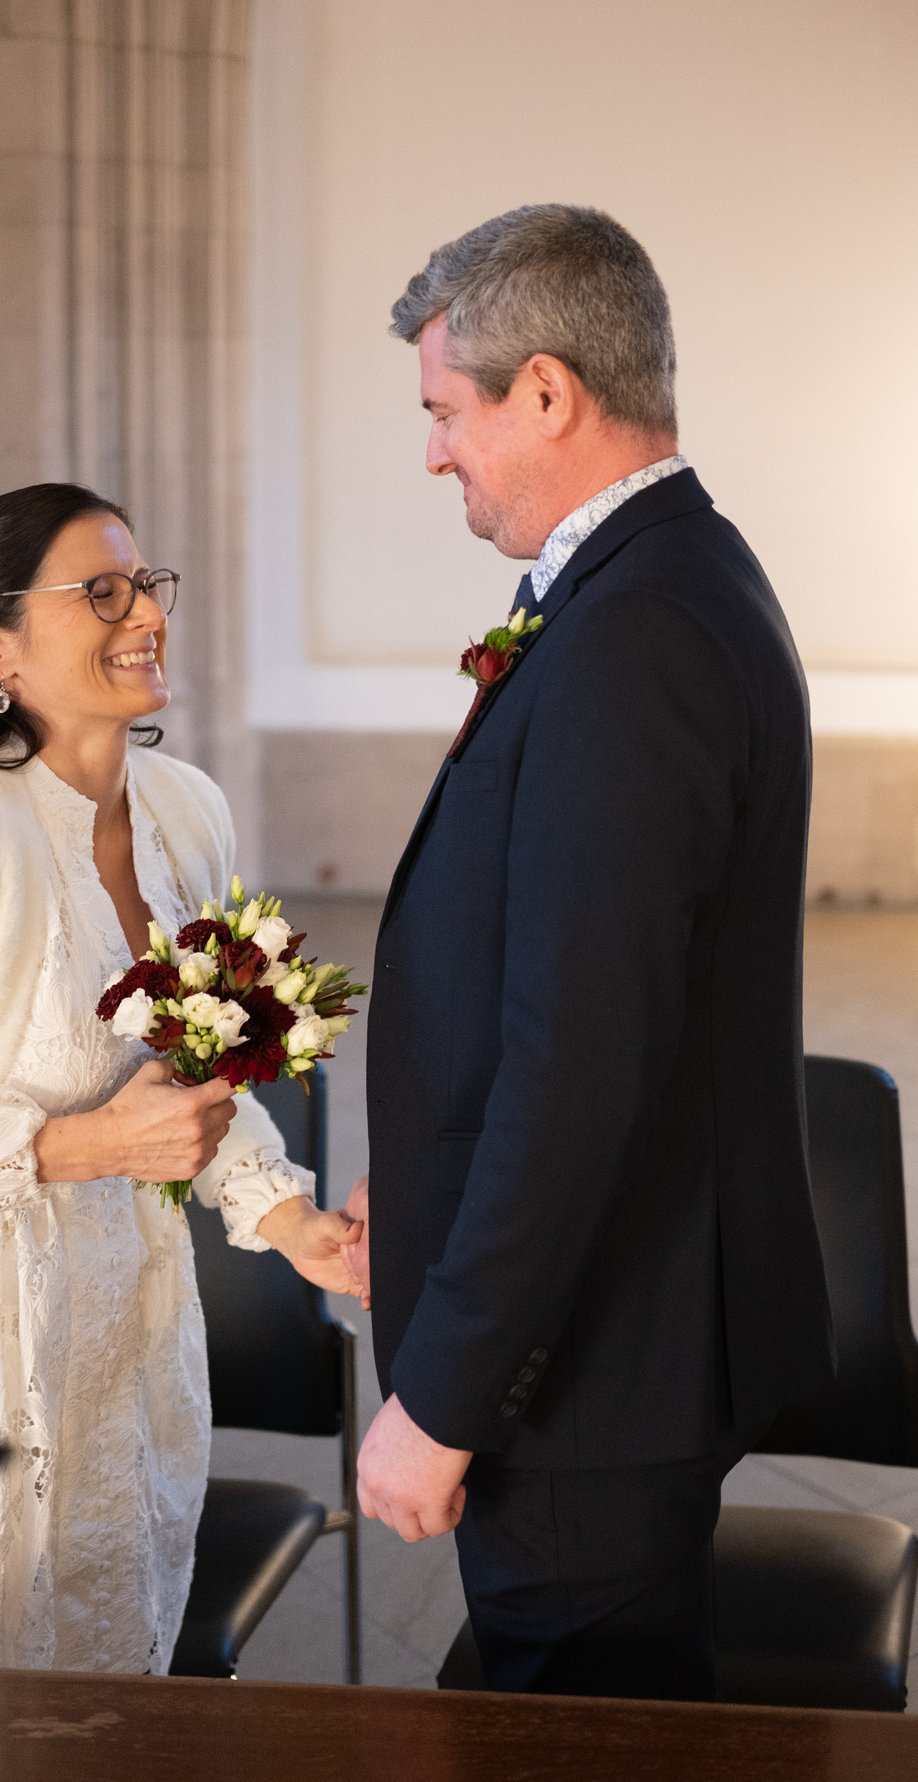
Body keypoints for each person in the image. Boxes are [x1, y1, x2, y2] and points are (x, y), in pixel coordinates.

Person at [347, 205, 834, 1699]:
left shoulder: (635, 635)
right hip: (620, 1323)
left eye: (446, 413)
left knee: (572, 1778)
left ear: (547, 392)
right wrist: (423, 1192)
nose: (436, 454)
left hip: (595, 1367)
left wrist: (445, 1393)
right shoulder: (657, 577)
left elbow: (584, 1063)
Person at [0, 482, 361, 1674]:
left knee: (106, 1694)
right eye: (100, 592)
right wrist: (85, 1148)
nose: (145, 613)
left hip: (121, 1336)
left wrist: (292, 1224)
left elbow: (190, 1072)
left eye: (145, 584)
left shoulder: (185, 812)